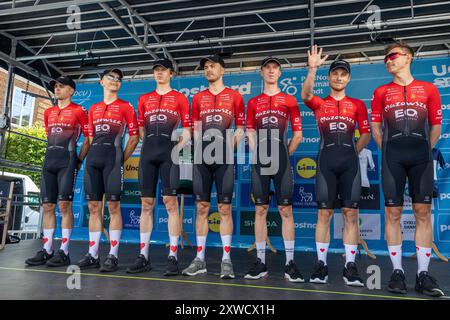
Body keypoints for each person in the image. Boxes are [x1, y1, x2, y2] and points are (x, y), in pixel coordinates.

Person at [371, 41, 444, 296]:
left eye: (392, 55)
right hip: (393, 157)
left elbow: (436, 127)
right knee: (393, 213)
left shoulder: (429, 89)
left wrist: (424, 150)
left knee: (423, 212)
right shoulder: (380, 92)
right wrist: (387, 150)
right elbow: (376, 127)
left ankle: (423, 274)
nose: (388, 60)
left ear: (408, 58)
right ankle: (397, 272)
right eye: (385, 58)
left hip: (420, 157)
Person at [301, 45, 371, 286]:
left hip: (349, 164)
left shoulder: (358, 105)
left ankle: (350, 266)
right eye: (335, 73)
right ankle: (321, 264)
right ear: (329, 77)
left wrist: (352, 151)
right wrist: (312, 70)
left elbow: (365, 135)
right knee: (324, 214)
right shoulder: (320, 103)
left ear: (348, 78)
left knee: (351, 214)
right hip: (325, 163)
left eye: (343, 74)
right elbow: (306, 96)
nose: (339, 77)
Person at [126, 59, 191, 276]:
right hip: (147, 154)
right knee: (146, 203)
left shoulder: (180, 98)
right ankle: (143, 255)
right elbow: (141, 129)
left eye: (163, 70)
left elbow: (188, 130)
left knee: (170, 203)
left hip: (169, 155)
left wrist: (176, 147)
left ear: (171, 73)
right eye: (156, 70)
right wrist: (148, 143)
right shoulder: (144, 99)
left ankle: (173, 255)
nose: (159, 73)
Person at [182, 55, 245, 279]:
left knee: (225, 209)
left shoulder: (235, 96)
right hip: (202, 158)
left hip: (224, 158)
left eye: (212, 66)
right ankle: (200, 259)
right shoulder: (198, 98)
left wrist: (229, 148)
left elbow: (241, 128)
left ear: (223, 70)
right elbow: (195, 128)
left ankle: (226, 260)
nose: (208, 70)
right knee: (201, 208)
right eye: (205, 67)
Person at [244, 57, 304, 282]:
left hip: (281, 159)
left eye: (275, 68)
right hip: (260, 159)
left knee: (286, 211)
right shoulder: (253, 102)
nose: (271, 71)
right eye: (267, 68)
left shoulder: (289, 100)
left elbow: (298, 134)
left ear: (280, 74)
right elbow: (250, 131)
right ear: (261, 72)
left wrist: (284, 155)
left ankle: (290, 263)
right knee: (260, 210)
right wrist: (255, 152)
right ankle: (260, 263)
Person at [76, 69, 139, 272]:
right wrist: (83, 159)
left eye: (119, 79)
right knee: (94, 208)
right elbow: (90, 139)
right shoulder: (93, 108)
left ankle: (113, 255)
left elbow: (134, 137)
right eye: (111, 77)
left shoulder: (126, 107)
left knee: (113, 208)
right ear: (101, 81)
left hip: (113, 161)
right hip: (93, 161)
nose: (115, 81)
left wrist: (121, 160)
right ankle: (93, 254)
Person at [26, 76, 90, 267]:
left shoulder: (79, 111)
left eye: (61, 86)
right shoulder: (49, 112)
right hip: (49, 162)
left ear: (71, 90)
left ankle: (64, 251)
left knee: (64, 206)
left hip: (67, 161)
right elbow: (49, 136)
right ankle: (47, 250)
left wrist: (78, 161)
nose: (57, 88)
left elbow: (88, 139)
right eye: (55, 86)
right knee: (47, 207)